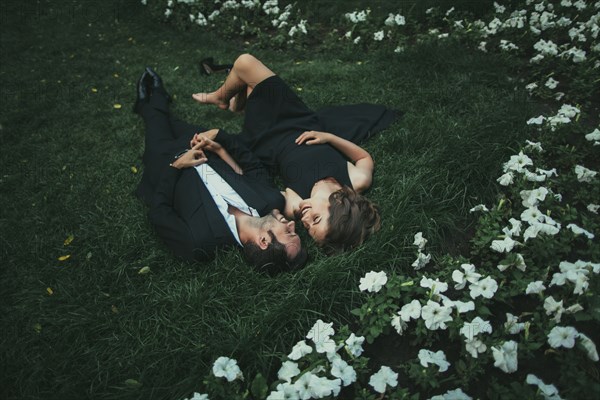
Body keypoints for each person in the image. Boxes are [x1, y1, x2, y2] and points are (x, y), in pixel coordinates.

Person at [191, 54, 397, 253]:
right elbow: (363, 158)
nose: (305, 220)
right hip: (299, 120)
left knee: (249, 80)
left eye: (308, 227)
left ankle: (233, 98)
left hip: (267, 141)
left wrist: (220, 150)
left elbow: (254, 185)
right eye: (315, 219)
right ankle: (226, 97)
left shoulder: (295, 205)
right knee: (246, 63)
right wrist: (329, 138)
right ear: (340, 205)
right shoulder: (357, 180)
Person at [133, 67, 307, 272]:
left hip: (163, 162)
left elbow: (159, 213)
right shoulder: (271, 201)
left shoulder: (200, 243)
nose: (292, 225)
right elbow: (252, 165)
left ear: (263, 241)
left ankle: (150, 100)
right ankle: (157, 103)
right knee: (173, 123)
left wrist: (176, 166)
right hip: (201, 142)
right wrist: (219, 136)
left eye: (289, 233)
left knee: (156, 123)